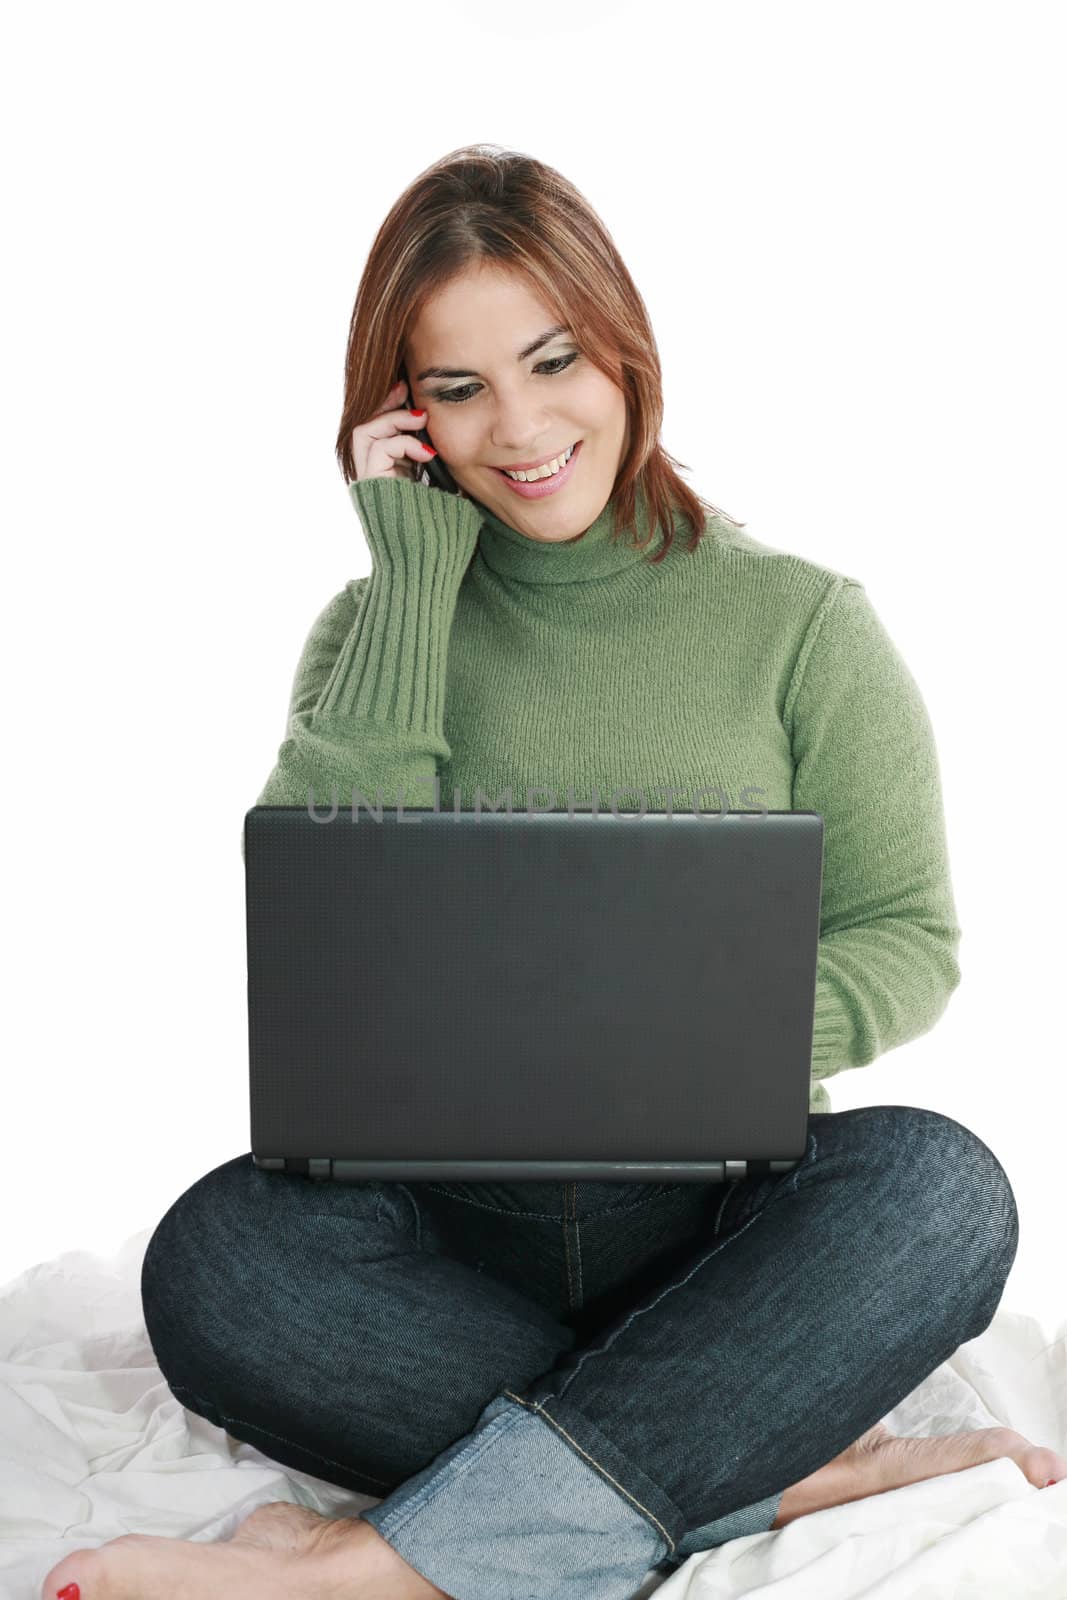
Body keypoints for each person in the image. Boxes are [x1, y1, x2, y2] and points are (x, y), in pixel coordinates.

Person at [45, 144, 1062, 1600]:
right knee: (218, 1261)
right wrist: (408, 582)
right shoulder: (369, 633)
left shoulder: (803, 626)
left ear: (625, 347)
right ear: (404, 418)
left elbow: (907, 940)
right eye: (457, 389)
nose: (518, 427)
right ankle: (762, 1468)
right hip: (452, 1229)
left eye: (551, 361)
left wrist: (698, 1035)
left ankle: (361, 1570)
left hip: (717, 1223)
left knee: (942, 1191)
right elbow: (330, 927)